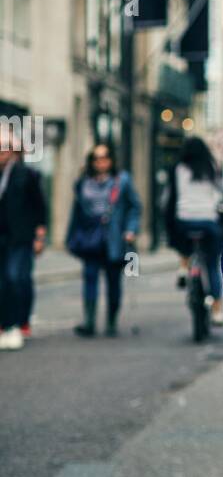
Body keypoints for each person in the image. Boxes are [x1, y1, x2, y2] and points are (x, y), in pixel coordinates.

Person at [66, 141, 141, 337]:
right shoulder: (83, 182)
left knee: (113, 281)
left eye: (104, 157)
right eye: (96, 158)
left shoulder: (122, 180)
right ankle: (89, 322)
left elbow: (135, 206)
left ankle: (111, 320)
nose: (101, 162)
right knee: (89, 277)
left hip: (113, 239)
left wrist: (131, 229)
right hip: (90, 238)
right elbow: (77, 211)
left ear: (111, 159)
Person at [163, 136, 223, 324]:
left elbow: (170, 198)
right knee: (212, 265)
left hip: (184, 221)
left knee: (182, 239)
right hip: (208, 221)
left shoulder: (178, 169)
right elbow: (221, 193)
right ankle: (216, 310)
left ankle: (183, 267)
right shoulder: (212, 167)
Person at [0, 135, 47, 350]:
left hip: (20, 237)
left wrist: (39, 235)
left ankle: (18, 323)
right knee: (4, 280)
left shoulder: (26, 175)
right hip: (2, 237)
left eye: (5, 149)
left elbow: (39, 207)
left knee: (15, 277)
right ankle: (7, 323)